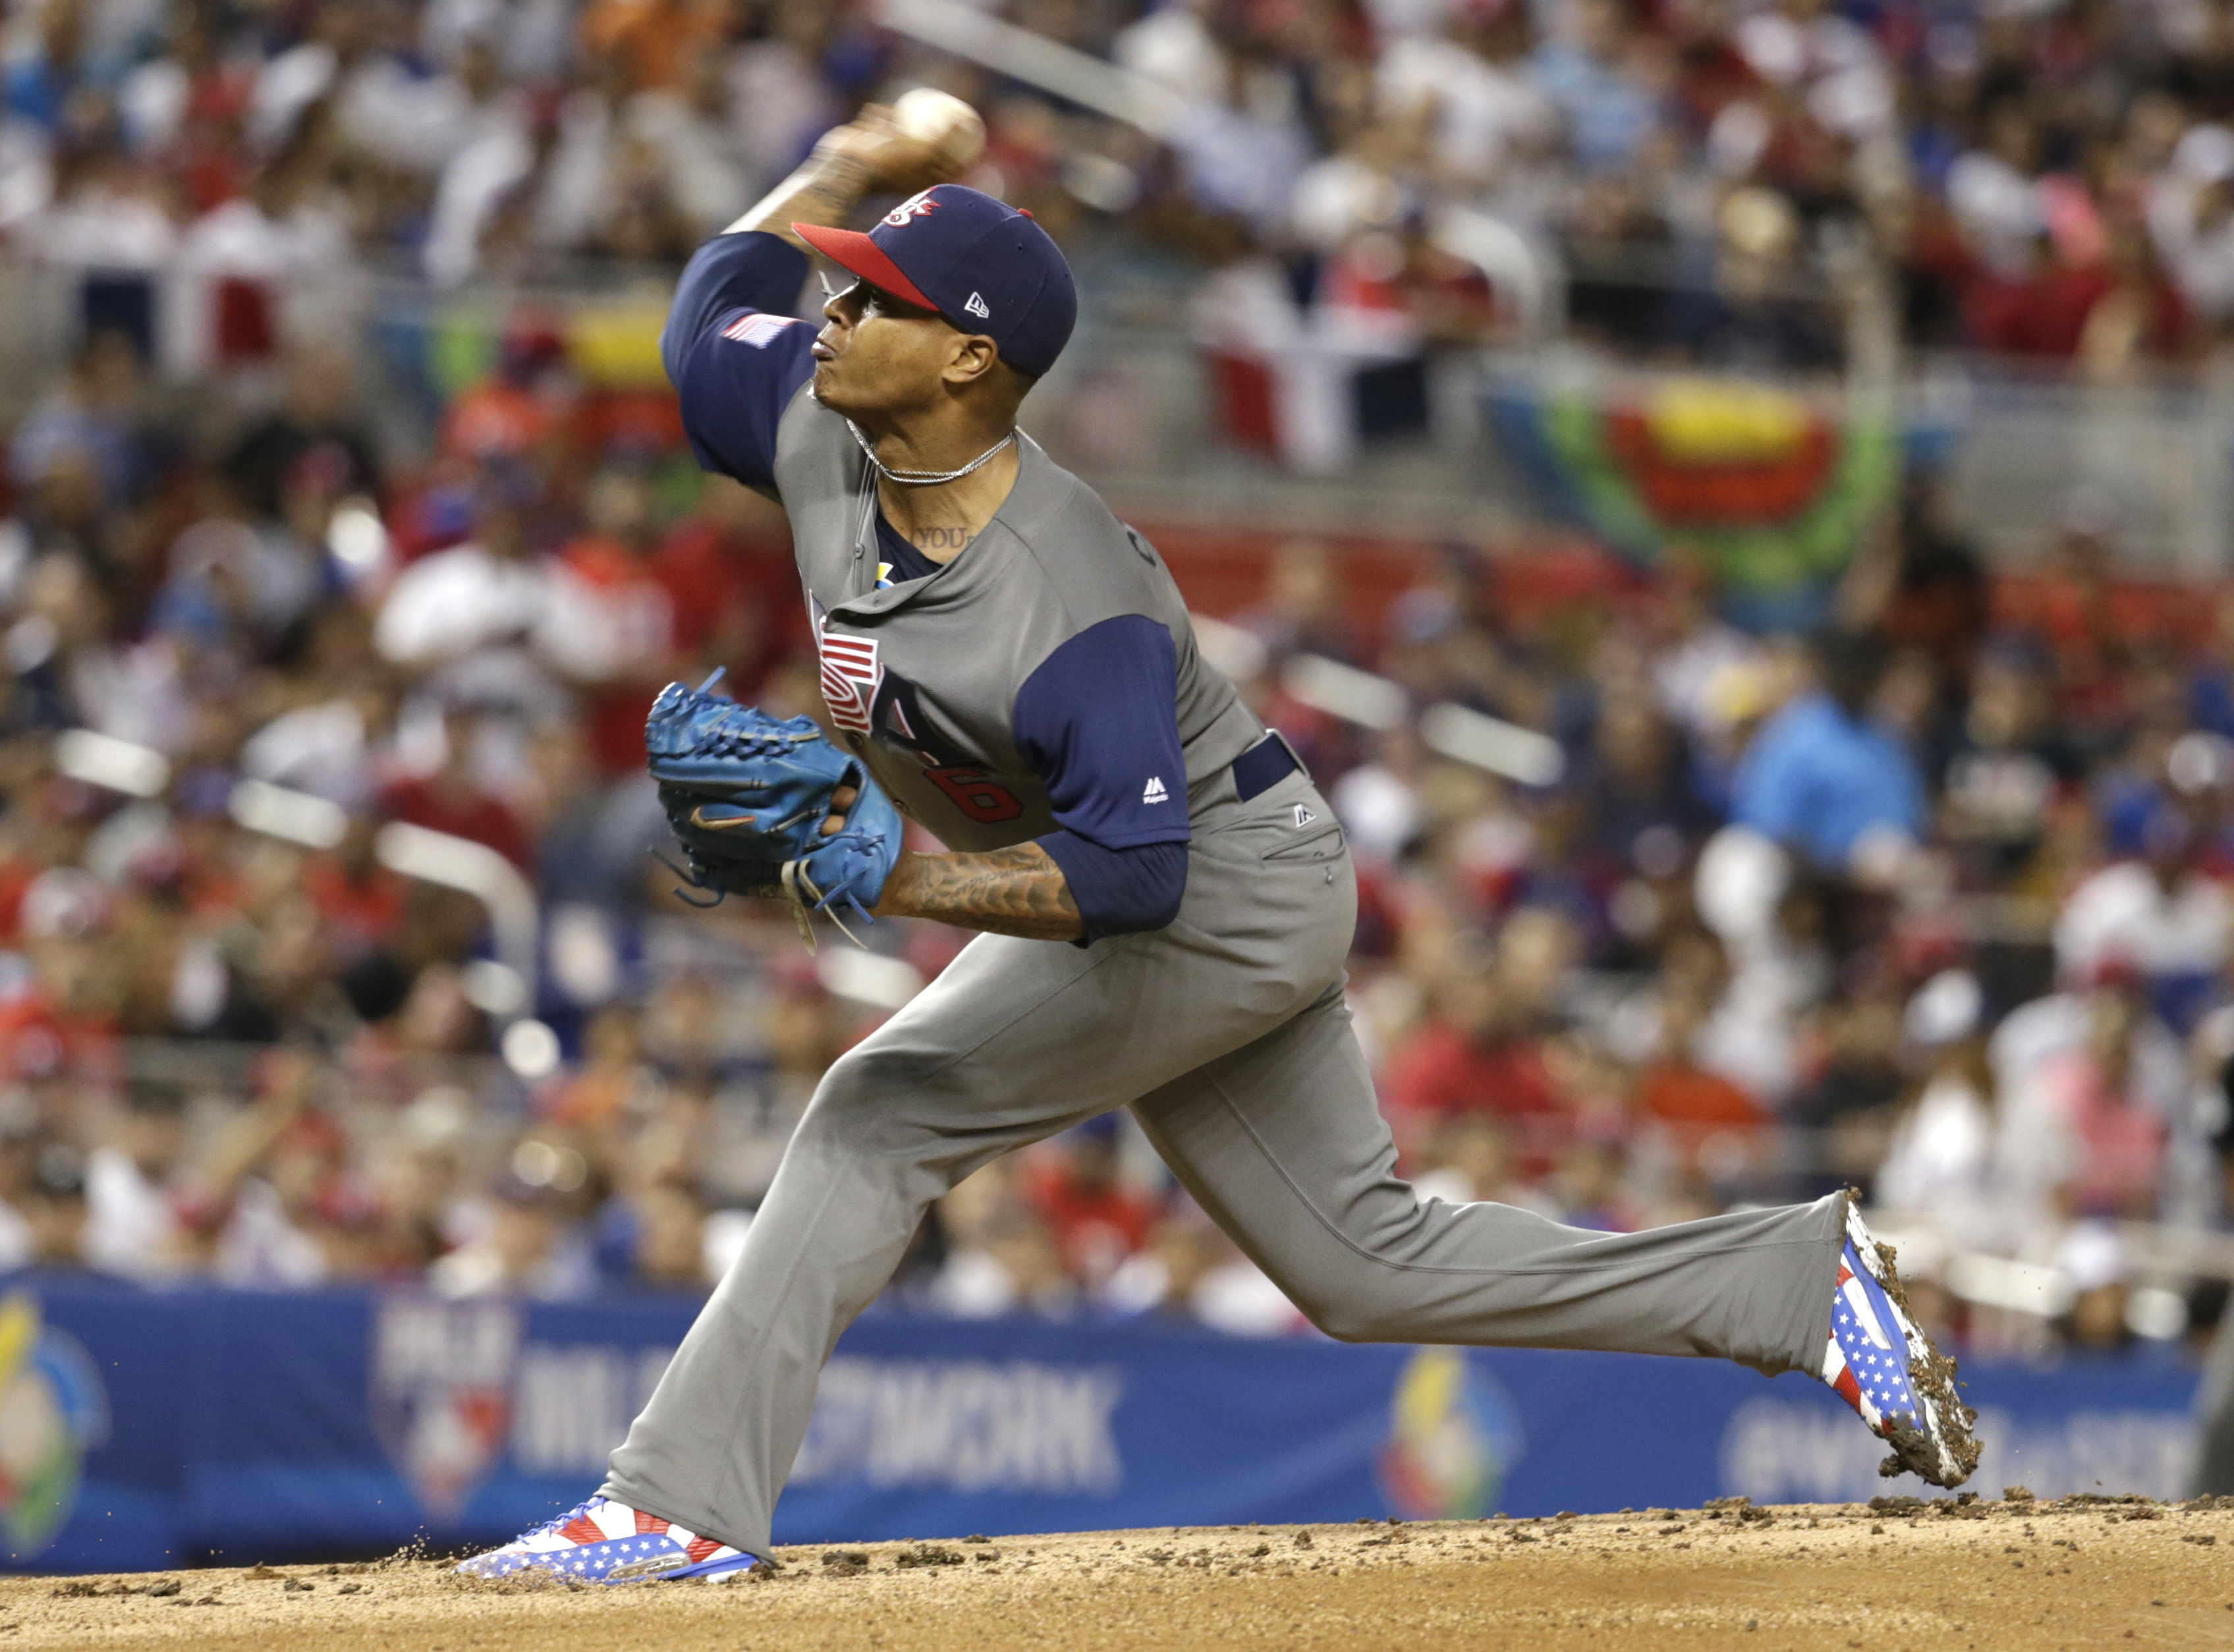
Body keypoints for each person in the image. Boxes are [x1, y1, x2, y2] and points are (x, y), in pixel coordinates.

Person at [457, 103, 1978, 1586]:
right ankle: (1793, 1283)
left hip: (1215, 891)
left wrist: (891, 875)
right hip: (1183, 870)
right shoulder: (815, 413)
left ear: (969, 359)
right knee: (1361, 1264)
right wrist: (838, 170)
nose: (830, 309)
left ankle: (676, 1506)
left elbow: (1135, 882)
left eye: (873, 296)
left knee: (879, 1113)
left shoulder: (1071, 604)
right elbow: (701, 318)